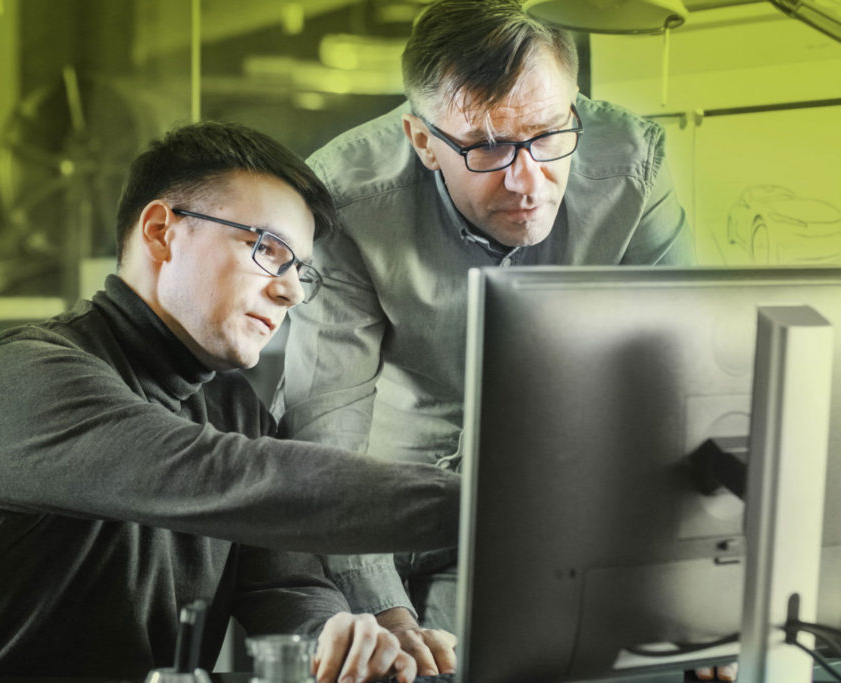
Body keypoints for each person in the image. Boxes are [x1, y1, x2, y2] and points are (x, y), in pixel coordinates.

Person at [0, 121, 462, 683]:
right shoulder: (21, 378)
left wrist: (332, 639)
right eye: (267, 248)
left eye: (300, 270)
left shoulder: (233, 407)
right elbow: (229, 478)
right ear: (162, 232)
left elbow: (283, 582)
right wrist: (487, 508)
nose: (289, 290)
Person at [275, 0, 701, 676]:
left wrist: (693, 591)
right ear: (423, 141)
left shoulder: (633, 166)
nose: (528, 180)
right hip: (370, 509)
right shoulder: (344, 199)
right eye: (488, 146)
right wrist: (386, 614)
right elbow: (327, 442)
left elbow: (682, 381)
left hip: (530, 512)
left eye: (547, 133)